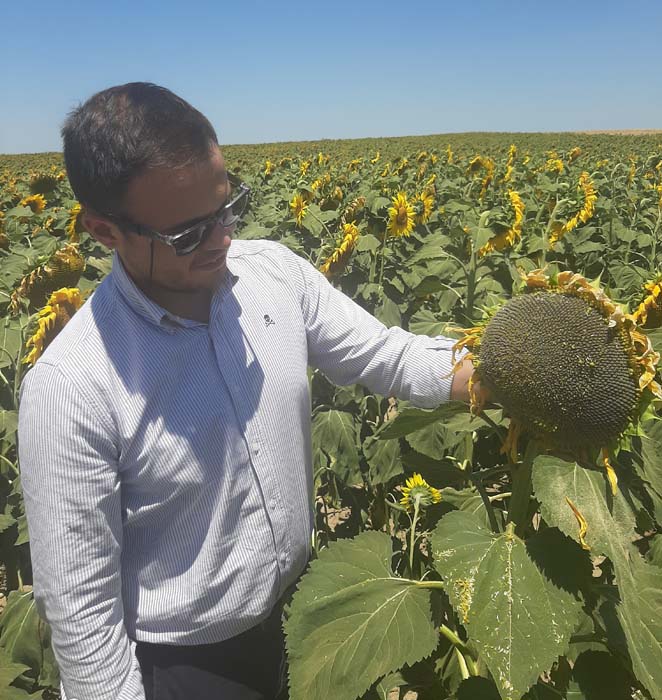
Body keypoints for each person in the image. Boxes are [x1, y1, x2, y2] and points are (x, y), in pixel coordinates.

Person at [18, 82, 477, 700]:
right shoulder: (73, 387)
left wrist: (500, 369)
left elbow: (384, 354)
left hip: (303, 613)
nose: (222, 240)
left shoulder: (274, 275)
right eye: (187, 235)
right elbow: (82, 616)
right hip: (191, 667)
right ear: (104, 232)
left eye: (227, 207)